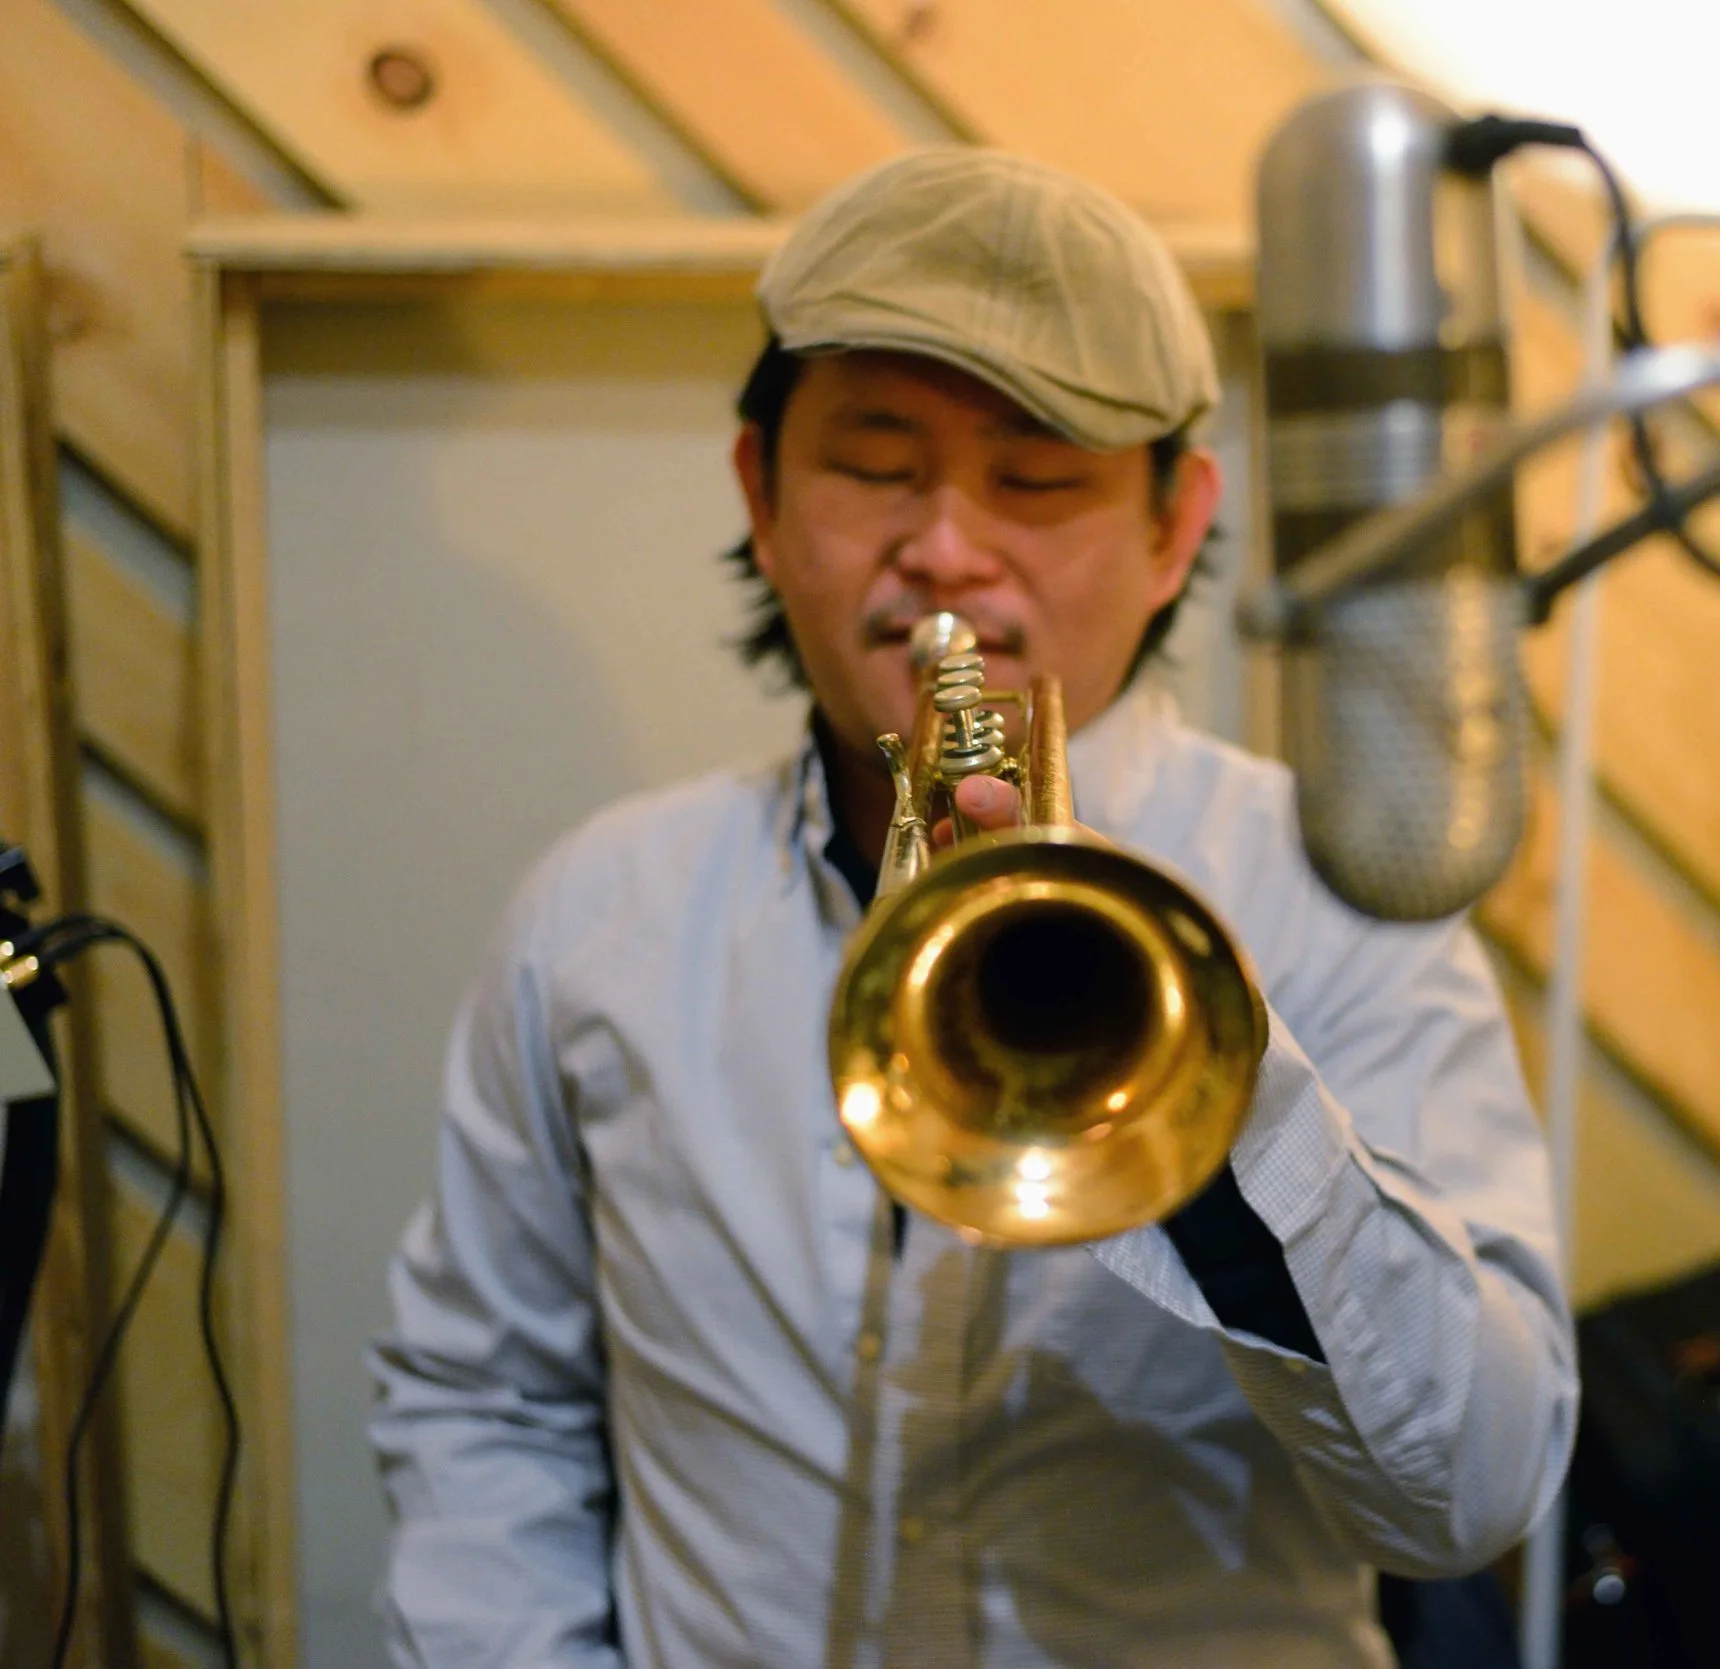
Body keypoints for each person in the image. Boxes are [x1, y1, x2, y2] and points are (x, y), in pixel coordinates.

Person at [369, 147, 1575, 1669]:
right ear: (760, 489)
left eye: (1040, 477)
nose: (946, 548)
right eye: (878, 465)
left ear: (1175, 525)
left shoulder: (1343, 898)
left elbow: (1473, 1499)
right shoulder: (595, 914)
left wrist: (1225, 1090)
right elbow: (484, 1407)